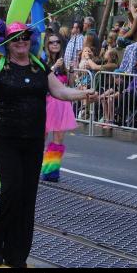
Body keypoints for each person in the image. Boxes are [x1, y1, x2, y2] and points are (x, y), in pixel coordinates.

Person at [0, 22, 97, 268]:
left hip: (33, 138)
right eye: (15, 38)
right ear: (7, 43)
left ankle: (17, 254)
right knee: (11, 189)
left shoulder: (39, 66)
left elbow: (60, 92)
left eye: (25, 36)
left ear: (31, 40)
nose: (21, 41)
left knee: (28, 195)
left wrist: (84, 94)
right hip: (5, 136)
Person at [41, 32, 78, 182]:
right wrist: (53, 67)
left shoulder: (63, 62)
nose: (55, 44)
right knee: (40, 138)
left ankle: (51, 172)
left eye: (57, 42)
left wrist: (71, 70)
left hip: (62, 104)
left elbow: (69, 83)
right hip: (46, 103)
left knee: (59, 139)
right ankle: (32, 167)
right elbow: (41, 79)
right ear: (47, 45)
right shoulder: (42, 60)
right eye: (51, 42)